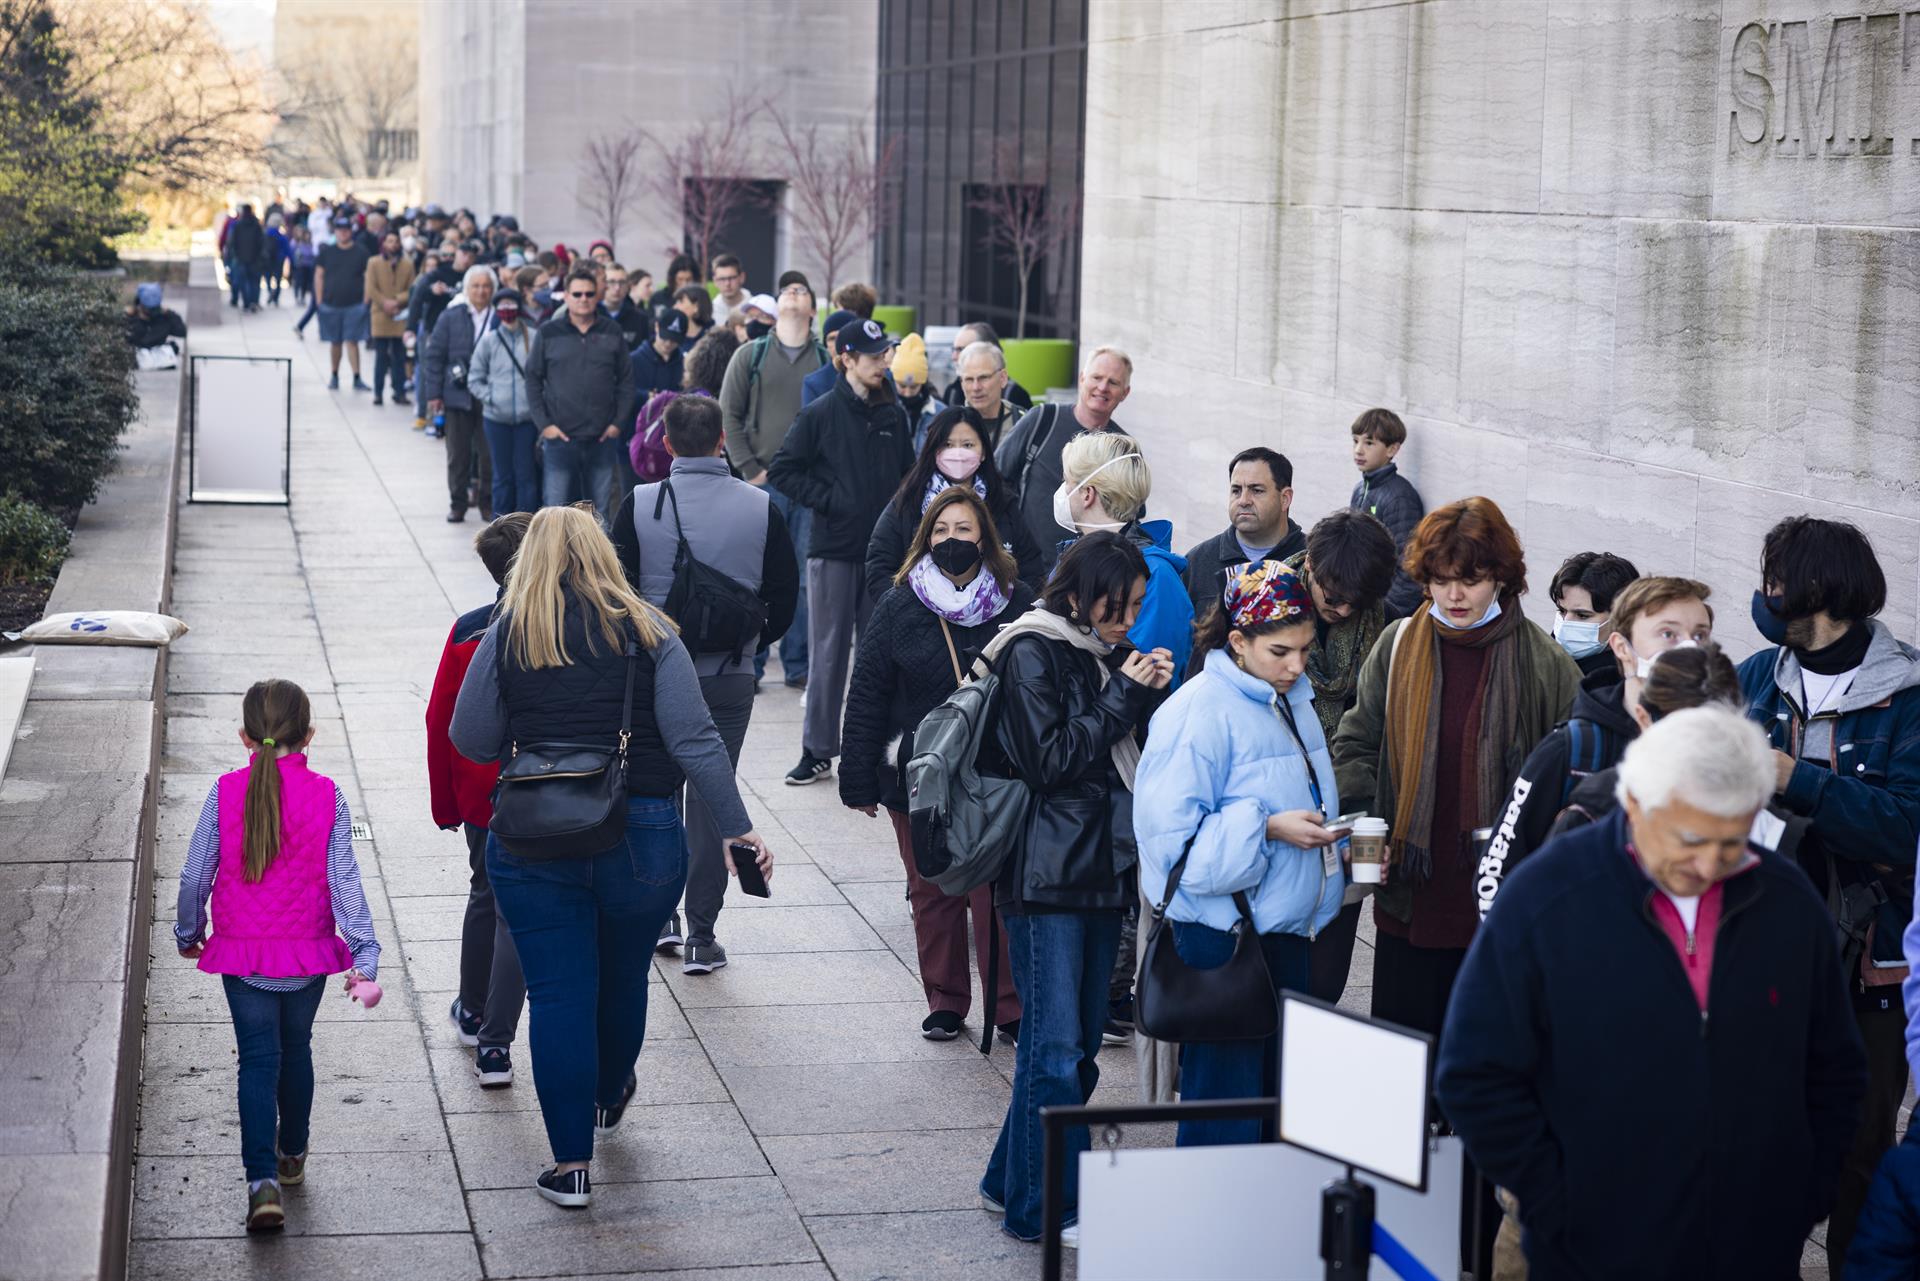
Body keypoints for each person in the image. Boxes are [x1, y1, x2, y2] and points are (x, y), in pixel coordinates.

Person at [1437, 706, 1868, 1281]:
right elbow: (1473, 1073)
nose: (1711, 863)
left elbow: (1835, 1066)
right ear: (1636, 803)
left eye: (1733, 840)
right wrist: (1557, 1203)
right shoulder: (1546, 896)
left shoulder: (1786, 899)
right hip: (1589, 1253)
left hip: (1751, 1251)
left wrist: (1800, 1200)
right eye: (1692, 838)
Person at [450, 506, 773, 1209]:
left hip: (534, 840)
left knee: (560, 993)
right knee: (624, 973)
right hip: (644, 832)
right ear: (607, 555)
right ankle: (607, 1091)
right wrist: (738, 828)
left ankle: (570, 1166)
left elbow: (471, 738)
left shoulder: (507, 631)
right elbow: (696, 741)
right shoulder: (652, 633)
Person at [976, 532, 1174, 1246]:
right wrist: (1125, 692)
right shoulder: (1032, 648)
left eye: (1137, 606)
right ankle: (1046, 1209)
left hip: (1099, 869)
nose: (1128, 618)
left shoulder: (1102, 654)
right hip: (1042, 876)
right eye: (1117, 605)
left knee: (1077, 1051)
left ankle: (1008, 1179)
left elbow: (1117, 756)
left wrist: (1143, 689)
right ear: (1081, 593)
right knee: (1056, 1050)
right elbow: (1051, 759)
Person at [1737, 515, 1920, 1268]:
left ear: (1816, 591)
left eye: (1775, 580)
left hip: (1868, 969)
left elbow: (1907, 830)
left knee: (1859, 1150)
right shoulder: (1756, 674)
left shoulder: (1907, 696)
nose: (1764, 593)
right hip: (1763, 953)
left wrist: (1796, 779)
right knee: (1760, 1139)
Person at [1330, 496, 1580, 1035]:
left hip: (1498, 903)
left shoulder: (1545, 663)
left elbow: (1572, 781)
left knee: (1483, 1062)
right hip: (1410, 898)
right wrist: (1363, 823)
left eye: (1471, 578)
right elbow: (1355, 742)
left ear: (1502, 579)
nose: (1454, 594)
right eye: (1441, 579)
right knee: (1407, 1067)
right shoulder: (1398, 645)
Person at [1134, 562, 1344, 1146]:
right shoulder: (1196, 712)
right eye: (1281, 650)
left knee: (1271, 1106)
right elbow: (1172, 857)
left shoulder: (1288, 695)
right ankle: (1209, 1229)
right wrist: (1268, 828)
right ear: (1238, 642)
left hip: (1281, 927)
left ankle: (1253, 1224)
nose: (1297, 665)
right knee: (1224, 1108)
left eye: (1305, 649)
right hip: (1221, 936)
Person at [174, 679, 381, 1232]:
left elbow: (197, 872)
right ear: (309, 735)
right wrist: (365, 952)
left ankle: (261, 1182)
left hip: (242, 955)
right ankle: (292, 1154)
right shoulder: (328, 795)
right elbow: (345, 880)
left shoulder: (224, 792)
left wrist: (188, 930)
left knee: (257, 1061)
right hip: (309, 953)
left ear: (244, 736)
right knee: (297, 1049)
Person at [611, 397, 798, 973]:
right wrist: (752, 643)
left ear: (665, 444)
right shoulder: (761, 507)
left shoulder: (640, 504)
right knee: (714, 796)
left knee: (655, 790)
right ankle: (703, 934)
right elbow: (785, 598)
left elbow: (617, 593)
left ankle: (660, 914)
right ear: (722, 440)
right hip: (729, 675)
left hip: (652, 675)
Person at [839, 486, 1029, 1042]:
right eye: (941, 531)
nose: (952, 541)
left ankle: (1009, 1004)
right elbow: (868, 691)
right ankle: (945, 1000)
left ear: (985, 538)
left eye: (963, 530)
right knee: (931, 888)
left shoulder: (1017, 603)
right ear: (925, 538)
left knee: (994, 892)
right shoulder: (900, 603)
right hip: (919, 776)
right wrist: (858, 778)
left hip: (995, 773)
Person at [1477, 576, 1714, 919]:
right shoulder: (1570, 749)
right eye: (1668, 634)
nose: (1688, 649)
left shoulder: (1720, 756)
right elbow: (1494, 876)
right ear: (1621, 648)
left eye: (1700, 635)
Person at [767, 317, 915, 786]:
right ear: (846, 359)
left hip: (885, 555)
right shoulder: (821, 413)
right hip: (833, 549)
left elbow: (910, 478)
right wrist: (833, 501)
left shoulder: (894, 414)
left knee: (879, 656)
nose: (882, 364)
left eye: (884, 355)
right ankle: (816, 750)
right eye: (873, 357)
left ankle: (873, 748)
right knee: (828, 654)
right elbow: (783, 471)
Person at [426, 515, 532, 1087]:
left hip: (481, 795)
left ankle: (472, 1008)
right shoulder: (562, 624)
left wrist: (446, 803)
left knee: (485, 894)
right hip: (544, 786)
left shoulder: (470, 628)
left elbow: (439, 719)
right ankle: (494, 1035)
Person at [1278, 510, 1398, 1006]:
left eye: (1356, 602)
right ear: (1310, 567)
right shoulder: (1263, 605)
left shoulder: (1380, 625)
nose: (1343, 610)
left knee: (1324, 979)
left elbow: (1374, 729)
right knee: (1273, 975)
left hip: (1342, 811)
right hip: (1279, 811)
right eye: (1332, 596)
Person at [719, 271, 829, 689]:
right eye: (787, 290)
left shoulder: (825, 362)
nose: (794, 294)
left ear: (813, 310)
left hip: (809, 488)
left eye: (803, 290)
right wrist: (750, 469)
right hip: (760, 484)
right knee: (756, 577)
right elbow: (728, 414)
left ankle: (798, 666)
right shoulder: (750, 355)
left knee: (803, 578)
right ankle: (753, 663)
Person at [864, 405, 1045, 602]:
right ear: (934, 450)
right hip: (921, 622)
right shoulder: (910, 500)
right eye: (948, 445)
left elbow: (1030, 566)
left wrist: (1012, 611)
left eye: (968, 445)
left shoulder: (1002, 501)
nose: (958, 454)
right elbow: (879, 564)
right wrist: (906, 610)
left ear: (984, 451)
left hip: (993, 624)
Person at [1056, 431, 1192, 683]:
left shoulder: (1156, 574)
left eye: (1067, 482)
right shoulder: (1072, 557)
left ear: (1088, 493)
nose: (1062, 491)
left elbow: (1154, 679)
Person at [996, 346, 1133, 576]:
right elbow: (997, 478)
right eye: (1097, 377)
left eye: (1113, 382)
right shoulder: (1042, 419)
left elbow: (1130, 515)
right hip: (1022, 570)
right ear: (1082, 379)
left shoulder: (1122, 449)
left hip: (1084, 575)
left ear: (1125, 392)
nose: (1102, 387)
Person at [526, 264, 636, 522]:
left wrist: (617, 423)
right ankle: (555, 563)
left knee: (601, 515)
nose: (583, 299)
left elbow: (626, 381)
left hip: (602, 439)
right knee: (554, 515)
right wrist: (545, 425)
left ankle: (599, 563)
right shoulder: (548, 332)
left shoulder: (612, 331)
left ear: (597, 295)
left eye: (589, 294)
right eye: (577, 294)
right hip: (559, 440)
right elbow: (532, 379)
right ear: (566, 296)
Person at [1181, 447, 1306, 619]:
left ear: (1285, 498)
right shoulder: (1197, 562)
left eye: (1256, 490)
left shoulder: (1313, 560)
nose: (1243, 501)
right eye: (1236, 490)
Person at [421, 265, 497, 523]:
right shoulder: (451, 316)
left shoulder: (498, 317)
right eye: (475, 286)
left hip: (489, 394)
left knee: (488, 454)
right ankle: (458, 503)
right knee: (458, 453)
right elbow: (434, 356)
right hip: (457, 394)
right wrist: (434, 394)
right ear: (467, 289)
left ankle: (487, 502)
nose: (481, 291)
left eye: (486, 286)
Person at [467, 289, 540, 516]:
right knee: (501, 475)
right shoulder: (489, 341)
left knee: (526, 474)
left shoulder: (534, 337)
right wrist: (491, 397)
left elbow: (542, 375)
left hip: (527, 419)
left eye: (511, 305)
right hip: (496, 418)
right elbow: (474, 378)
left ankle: (526, 525)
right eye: (502, 306)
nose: (507, 310)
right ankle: (500, 523)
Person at [1348, 407, 1426, 619]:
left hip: (1384, 612)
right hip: (1358, 603)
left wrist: (1386, 616)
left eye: (1369, 443)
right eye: (1356, 441)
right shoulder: (1360, 489)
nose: (1358, 450)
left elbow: (1409, 568)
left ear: (1392, 449)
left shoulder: (1399, 497)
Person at [1546, 551, 1641, 679]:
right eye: (1562, 611)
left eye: (1582, 615)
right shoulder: (1543, 656)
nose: (1565, 624)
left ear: (1621, 618)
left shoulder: (1624, 686)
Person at [313, 216, 373, 392]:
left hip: (354, 304)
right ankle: (334, 375)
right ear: (335, 232)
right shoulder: (327, 252)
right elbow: (319, 275)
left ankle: (356, 377)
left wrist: (366, 299)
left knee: (352, 341)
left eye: (346, 229)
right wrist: (318, 299)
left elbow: (368, 276)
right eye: (340, 230)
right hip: (331, 304)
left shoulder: (361, 252)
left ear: (350, 231)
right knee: (335, 342)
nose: (343, 233)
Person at [939, 339, 1025, 452]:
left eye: (984, 378)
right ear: (961, 383)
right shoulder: (946, 425)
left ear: (1003, 378)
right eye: (969, 379)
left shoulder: (1022, 423)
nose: (976, 387)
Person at [364, 229, 417, 409]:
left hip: (399, 315)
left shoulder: (408, 265)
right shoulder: (374, 262)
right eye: (389, 241)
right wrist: (384, 303)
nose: (393, 245)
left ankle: (399, 391)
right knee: (381, 357)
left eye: (396, 241)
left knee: (399, 357)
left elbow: (412, 288)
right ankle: (378, 392)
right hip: (380, 314)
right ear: (383, 243)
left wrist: (397, 301)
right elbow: (371, 287)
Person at [940, 321, 1034, 412]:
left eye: (961, 350)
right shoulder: (952, 391)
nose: (954, 357)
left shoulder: (1014, 394)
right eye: (954, 349)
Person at [799, 307, 862, 408]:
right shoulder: (815, 383)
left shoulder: (876, 376)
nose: (838, 343)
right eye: (832, 339)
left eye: (843, 336)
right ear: (826, 346)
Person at [629, 308, 686, 402]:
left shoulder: (684, 363)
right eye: (664, 337)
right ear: (656, 327)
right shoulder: (634, 359)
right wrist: (646, 396)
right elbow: (622, 391)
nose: (668, 343)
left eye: (674, 340)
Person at [601, 262, 651, 349]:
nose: (617, 287)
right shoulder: (590, 315)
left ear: (627, 286)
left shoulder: (640, 319)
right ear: (603, 284)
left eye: (622, 282)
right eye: (611, 282)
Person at [125, 282, 187, 352]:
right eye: (147, 308)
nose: (151, 312)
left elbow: (182, 331)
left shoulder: (163, 320)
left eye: (154, 308)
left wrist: (169, 314)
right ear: (139, 304)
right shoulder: (131, 320)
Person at [226, 203, 265, 313]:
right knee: (254, 281)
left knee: (244, 281)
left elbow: (232, 242)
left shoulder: (238, 225)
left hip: (242, 258)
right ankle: (253, 301)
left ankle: (247, 302)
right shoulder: (256, 225)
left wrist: (235, 255)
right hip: (254, 258)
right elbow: (261, 242)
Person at [892, 332, 933, 428]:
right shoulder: (882, 409)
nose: (907, 393)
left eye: (914, 387)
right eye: (902, 386)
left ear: (923, 383)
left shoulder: (938, 413)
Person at [710, 252, 747, 327]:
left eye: (732, 278)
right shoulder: (710, 312)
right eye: (722, 279)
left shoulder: (754, 310)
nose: (727, 284)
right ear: (715, 281)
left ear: (742, 277)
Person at [261, 212, 290, 307]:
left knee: (268, 277)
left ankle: (270, 291)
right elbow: (287, 249)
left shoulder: (265, 233)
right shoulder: (281, 236)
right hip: (279, 259)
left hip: (267, 258)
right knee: (278, 279)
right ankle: (276, 297)